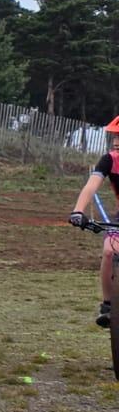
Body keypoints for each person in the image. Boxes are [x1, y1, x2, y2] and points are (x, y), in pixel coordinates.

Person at [68, 115, 119, 328]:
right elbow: (91, 186)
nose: (116, 141)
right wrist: (78, 211)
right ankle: (108, 305)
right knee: (109, 251)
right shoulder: (109, 160)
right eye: (114, 137)